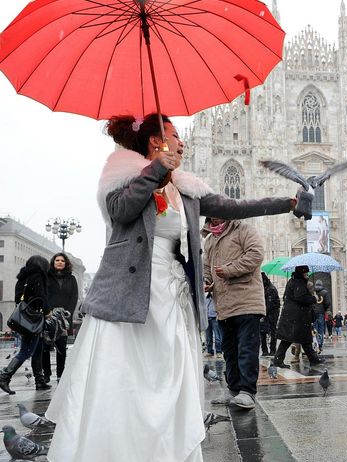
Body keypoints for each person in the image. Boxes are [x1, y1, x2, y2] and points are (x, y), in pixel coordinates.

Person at [45, 113, 311, 462]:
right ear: (157, 142)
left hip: (170, 292)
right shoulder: (122, 174)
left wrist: (288, 204)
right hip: (131, 292)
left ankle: (163, 447)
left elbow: (233, 207)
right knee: (127, 373)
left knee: (168, 374)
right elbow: (120, 211)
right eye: (174, 134)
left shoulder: (185, 187)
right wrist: (155, 171)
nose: (182, 141)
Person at [202, 216, 267, 410]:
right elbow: (207, 267)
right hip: (223, 304)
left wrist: (229, 270)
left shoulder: (243, 229)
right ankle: (233, 389)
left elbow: (256, 254)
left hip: (246, 300)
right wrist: (206, 281)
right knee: (229, 351)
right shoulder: (210, 239)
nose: (215, 216)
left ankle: (247, 392)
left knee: (246, 349)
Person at [0, 255, 51, 394]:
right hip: (33, 320)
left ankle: (39, 381)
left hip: (23, 321)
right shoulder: (38, 276)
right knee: (26, 351)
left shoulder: (22, 278)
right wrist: (47, 311)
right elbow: (41, 296)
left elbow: (18, 298)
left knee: (37, 349)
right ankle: (4, 376)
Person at [272, 266, 323, 368]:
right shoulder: (298, 282)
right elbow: (300, 297)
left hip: (294, 316)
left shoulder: (293, 281)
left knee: (303, 339)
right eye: (306, 273)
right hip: (296, 317)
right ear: (301, 273)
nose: (307, 275)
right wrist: (313, 298)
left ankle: (314, 359)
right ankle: (278, 360)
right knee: (292, 339)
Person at [44, 252, 79, 382]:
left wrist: (67, 312)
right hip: (49, 316)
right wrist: (48, 311)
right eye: (57, 260)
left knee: (61, 347)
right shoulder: (46, 277)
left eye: (62, 261)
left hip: (64, 318)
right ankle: (46, 374)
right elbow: (44, 295)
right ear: (53, 263)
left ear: (66, 264)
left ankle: (60, 374)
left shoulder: (72, 279)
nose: (59, 262)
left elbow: (74, 297)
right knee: (46, 347)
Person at [260, 273, 280, 356]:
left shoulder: (270, 289)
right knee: (263, 331)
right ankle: (265, 350)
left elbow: (270, 304)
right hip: (267, 312)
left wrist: (263, 314)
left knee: (272, 331)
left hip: (272, 313)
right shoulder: (265, 288)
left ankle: (272, 350)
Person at [203, 293, 222, 358]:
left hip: (214, 317)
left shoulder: (216, 296)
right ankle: (209, 351)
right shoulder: (205, 296)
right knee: (208, 336)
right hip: (207, 317)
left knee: (217, 336)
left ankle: (219, 351)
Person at [313, 280, 330, 351]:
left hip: (313, 313)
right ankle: (320, 345)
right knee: (320, 330)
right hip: (321, 313)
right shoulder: (325, 292)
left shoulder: (312, 292)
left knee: (314, 330)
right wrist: (325, 310)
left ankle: (315, 344)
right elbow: (327, 303)